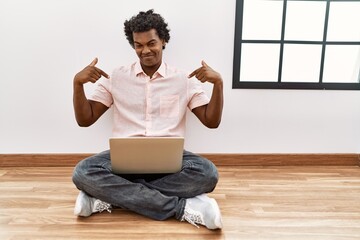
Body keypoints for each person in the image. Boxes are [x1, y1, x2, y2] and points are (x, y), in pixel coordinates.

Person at [72, 9, 224, 230]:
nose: (145, 51)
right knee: (82, 172)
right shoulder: (116, 77)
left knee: (208, 174)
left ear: (163, 40)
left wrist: (218, 85)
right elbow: (85, 120)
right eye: (138, 45)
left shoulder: (183, 79)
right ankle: (183, 207)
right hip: (124, 160)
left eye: (151, 43)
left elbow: (212, 121)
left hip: (169, 161)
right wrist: (77, 84)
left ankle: (106, 197)